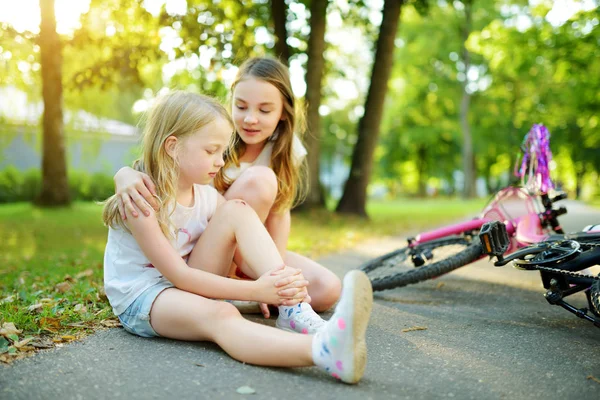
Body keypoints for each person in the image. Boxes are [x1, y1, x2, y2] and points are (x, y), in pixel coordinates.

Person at [102, 90, 373, 384]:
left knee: (238, 209)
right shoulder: (141, 200)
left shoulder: (203, 193)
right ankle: (326, 351)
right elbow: (180, 276)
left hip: (186, 283)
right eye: (211, 151)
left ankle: (293, 307)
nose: (220, 161)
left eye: (223, 151)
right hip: (145, 297)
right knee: (221, 315)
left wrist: (282, 284)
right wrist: (258, 291)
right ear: (172, 146)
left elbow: (246, 231)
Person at [113, 57, 341, 326]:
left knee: (327, 289)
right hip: (203, 250)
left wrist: (276, 274)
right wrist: (123, 174)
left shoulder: (285, 150)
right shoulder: (214, 134)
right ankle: (234, 291)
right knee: (260, 180)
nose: (250, 119)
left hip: (249, 247)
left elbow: (279, 214)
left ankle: (252, 295)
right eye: (241, 106)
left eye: (265, 110)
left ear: (283, 112)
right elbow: (159, 163)